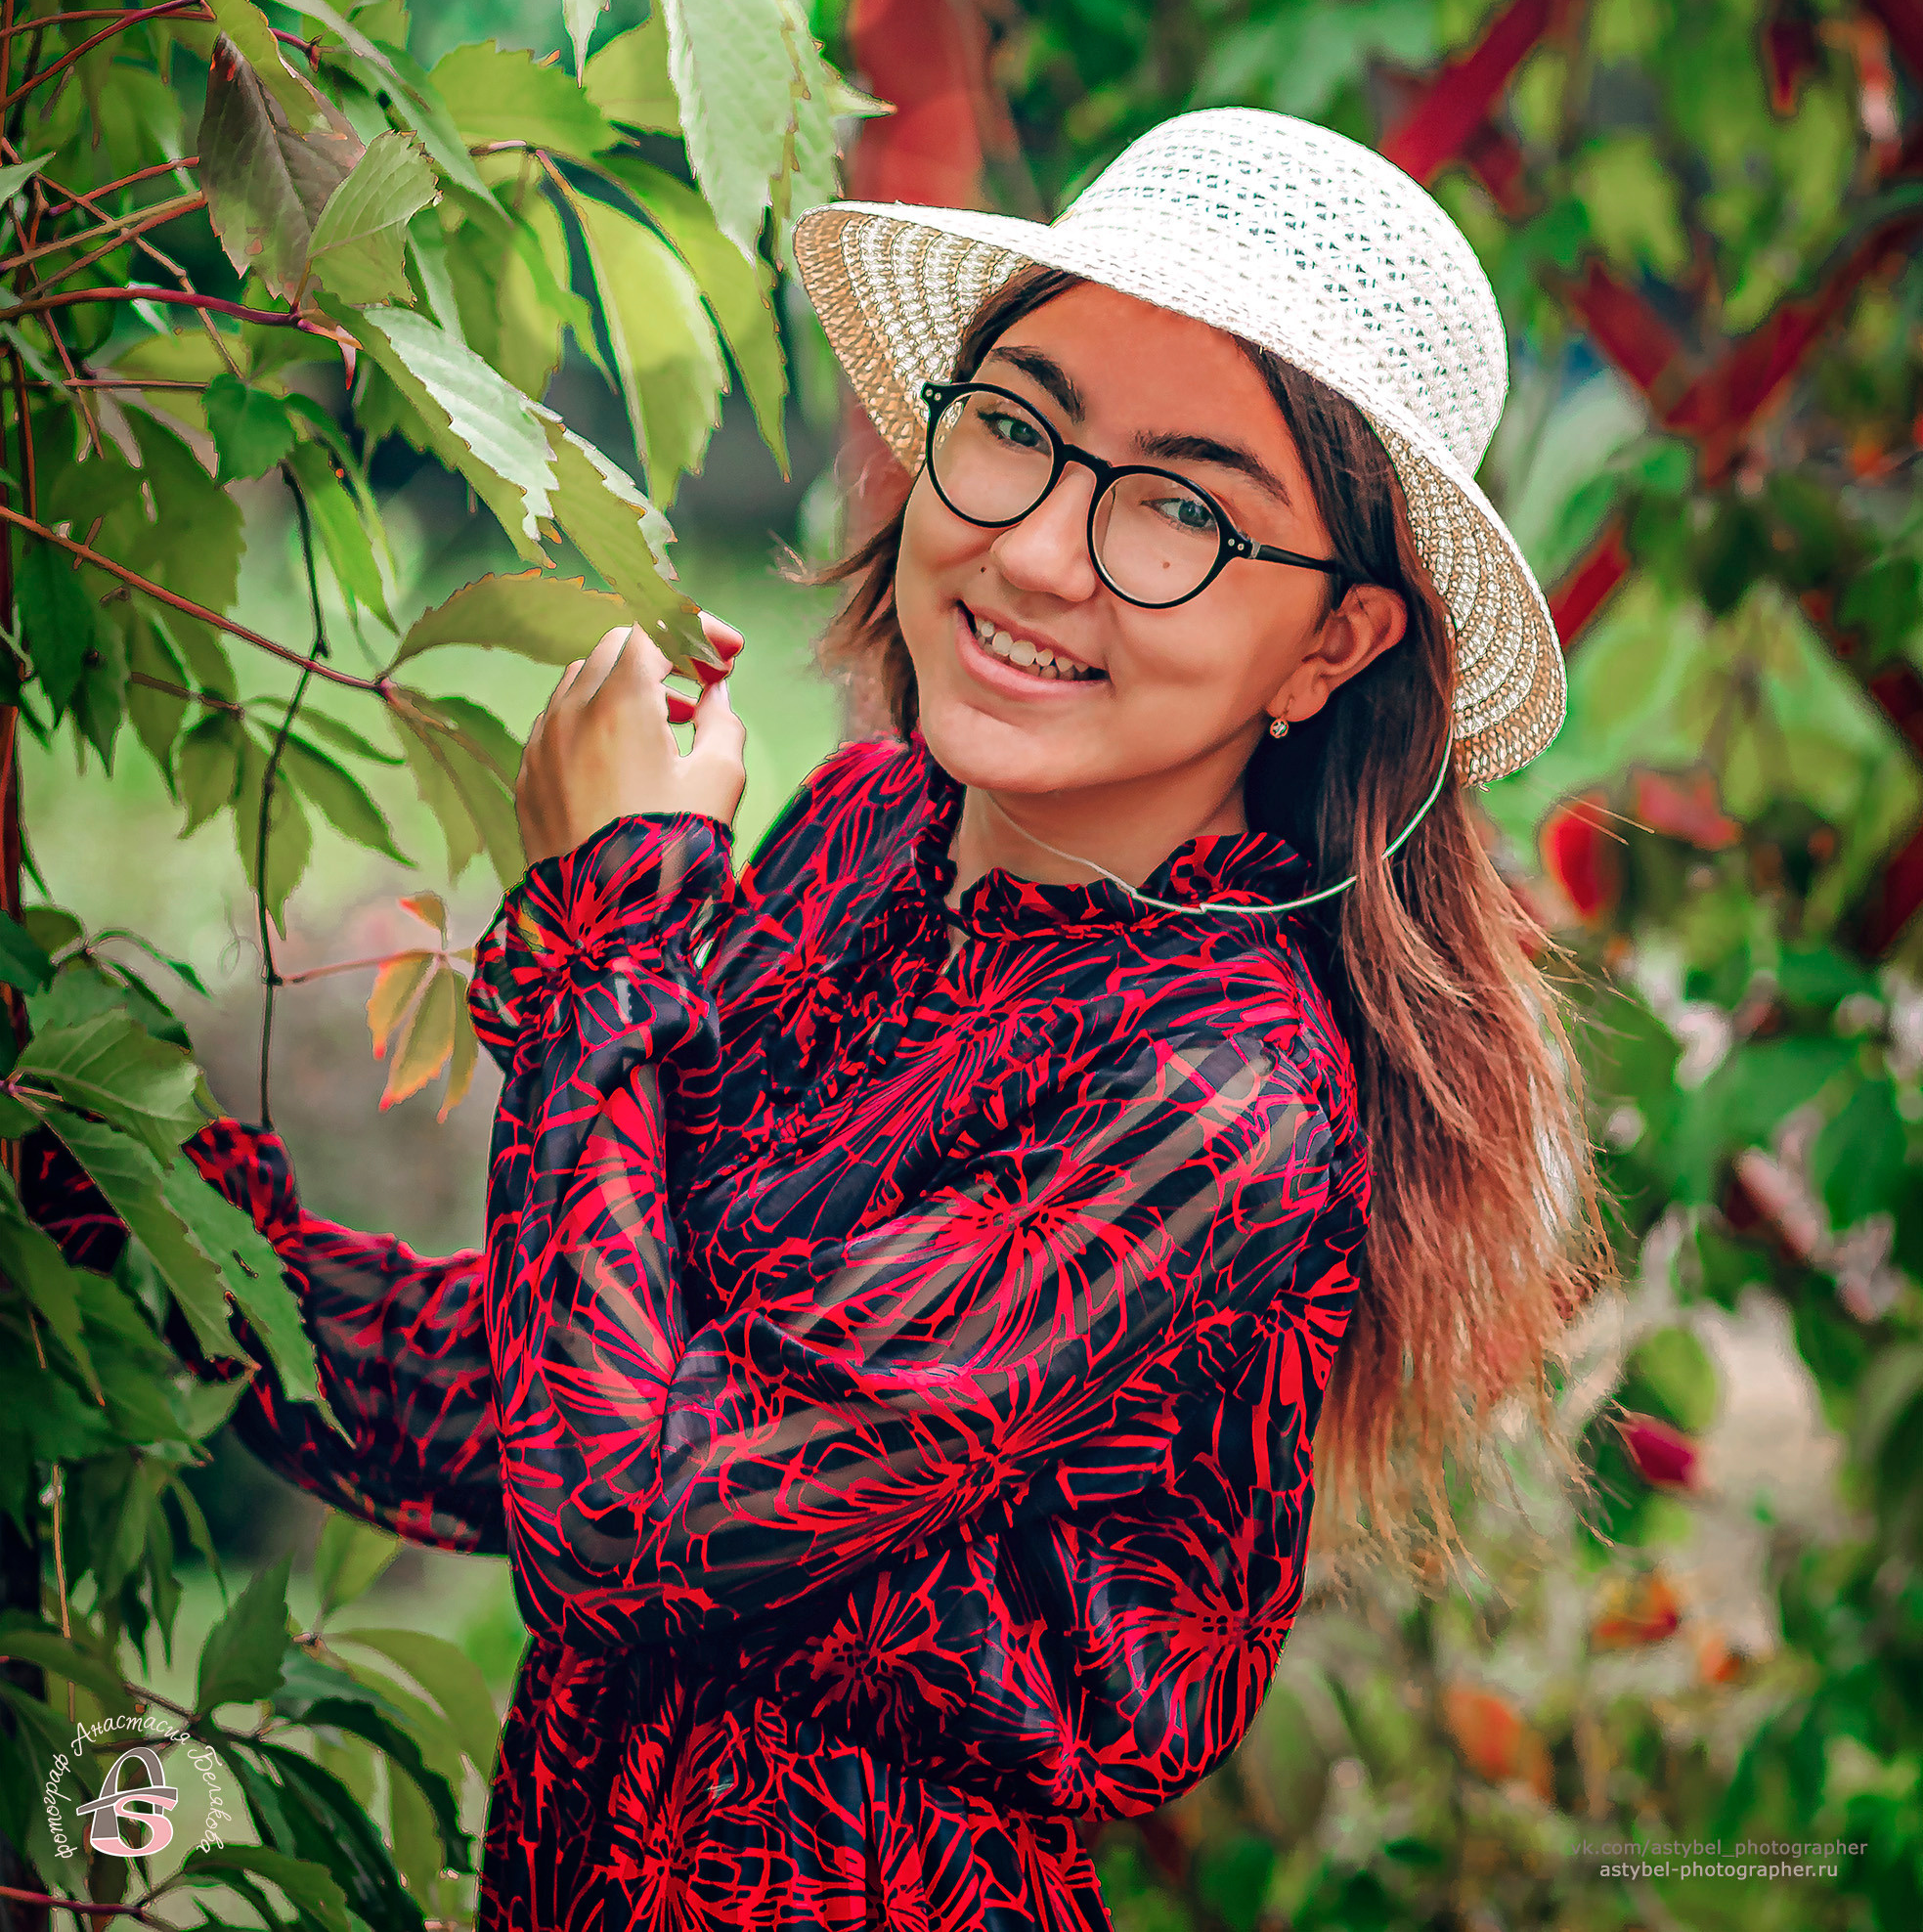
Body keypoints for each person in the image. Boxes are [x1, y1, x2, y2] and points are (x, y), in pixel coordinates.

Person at [29, 110, 1604, 1932]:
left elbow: (630, 1529)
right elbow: (563, 1396)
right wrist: (126, 1210)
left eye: (1183, 505)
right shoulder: (864, 835)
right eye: (1016, 425)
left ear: (1334, 645)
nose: (1036, 555)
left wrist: (608, 923)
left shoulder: (1217, 1097)